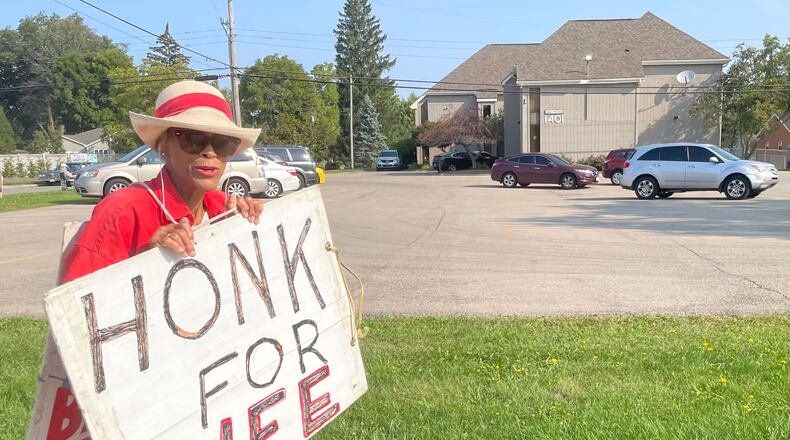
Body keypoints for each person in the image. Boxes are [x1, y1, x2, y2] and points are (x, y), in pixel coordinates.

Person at [61, 80, 263, 284]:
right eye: (192, 139)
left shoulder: (226, 209)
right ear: (162, 145)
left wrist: (242, 231)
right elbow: (77, 304)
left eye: (223, 143)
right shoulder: (121, 211)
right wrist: (152, 260)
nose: (209, 152)